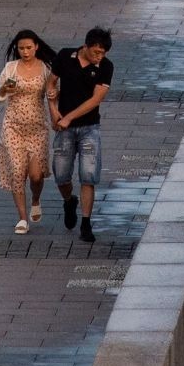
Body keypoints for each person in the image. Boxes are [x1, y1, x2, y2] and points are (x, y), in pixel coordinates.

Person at [48, 27, 114, 244]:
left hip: (89, 128)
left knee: (88, 175)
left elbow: (96, 100)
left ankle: (86, 223)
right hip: (64, 129)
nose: (99, 56)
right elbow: (50, 83)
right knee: (61, 174)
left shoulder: (105, 67)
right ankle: (69, 200)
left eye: (103, 53)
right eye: (96, 51)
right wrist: (54, 110)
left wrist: (70, 117)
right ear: (85, 46)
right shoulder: (65, 56)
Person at [0, 29, 56, 234]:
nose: (25, 51)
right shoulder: (11, 68)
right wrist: (4, 90)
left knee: (36, 175)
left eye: (29, 47)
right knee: (17, 172)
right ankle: (22, 218)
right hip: (13, 126)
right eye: (21, 48)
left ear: (36, 46)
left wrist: (55, 104)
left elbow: (53, 93)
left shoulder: (46, 68)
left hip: (38, 127)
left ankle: (36, 200)